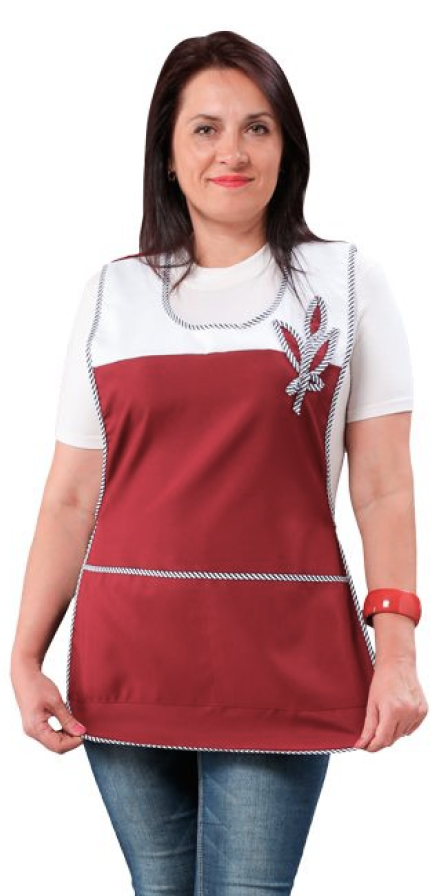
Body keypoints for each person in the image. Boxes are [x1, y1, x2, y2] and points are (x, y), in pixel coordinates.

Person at [10, 29, 428, 896]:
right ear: (167, 155)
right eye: (204, 129)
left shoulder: (345, 283)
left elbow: (384, 486)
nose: (231, 152)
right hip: (128, 662)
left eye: (256, 127)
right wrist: (25, 655)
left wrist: (395, 650)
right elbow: (70, 496)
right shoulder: (113, 293)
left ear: (286, 148)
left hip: (281, 660)